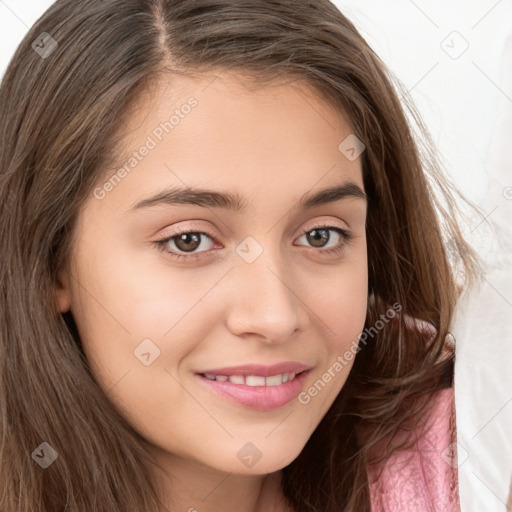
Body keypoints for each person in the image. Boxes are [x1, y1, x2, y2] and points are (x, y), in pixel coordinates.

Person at [0, 1, 482, 511]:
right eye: (189, 240)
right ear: (52, 260)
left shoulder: (472, 452)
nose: (274, 317)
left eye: (321, 236)